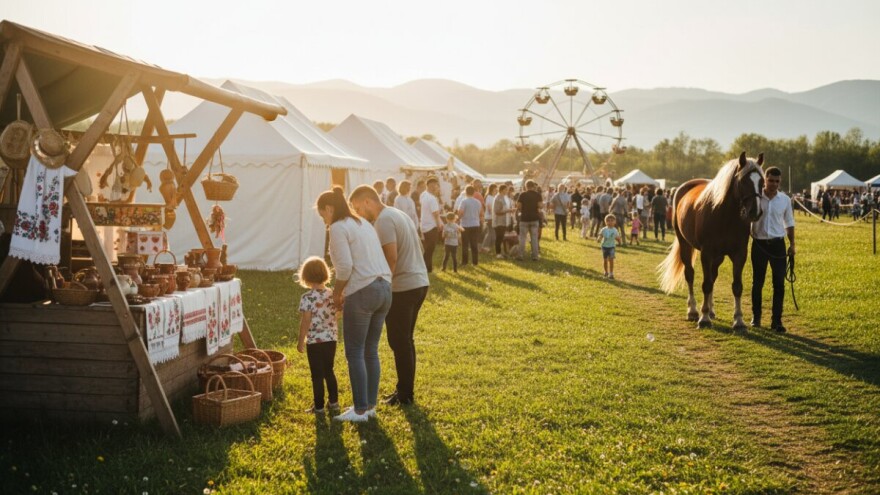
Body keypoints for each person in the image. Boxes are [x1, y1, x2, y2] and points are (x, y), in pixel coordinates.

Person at [316, 186, 392, 422]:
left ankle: (360, 409)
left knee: (355, 351)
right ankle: (369, 406)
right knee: (371, 350)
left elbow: (345, 267)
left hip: (363, 290)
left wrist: (337, 294)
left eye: (322, 215)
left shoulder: (338, 227)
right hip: (385, 288)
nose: (324, 221)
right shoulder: (363, 223)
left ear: (329, 209)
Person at [349, 185, 429, 406]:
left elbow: (391, 257)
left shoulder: (384, 220)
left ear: (367, 202)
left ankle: (405, 394)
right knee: (405, 340)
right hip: (419, 281)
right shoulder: (398, 213)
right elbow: (418, 249)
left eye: (357, 208)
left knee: (399, 341)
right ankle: (406, 390)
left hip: (403, 287)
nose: (358, 214)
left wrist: (383, 284)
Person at [750, 166, 795, 333]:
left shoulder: (784, 200)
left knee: (779, 284)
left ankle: (776, 321)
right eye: (771, 180)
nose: (774, 184)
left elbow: (789, 223)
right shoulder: (756, 197)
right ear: (765, 180)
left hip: (778, 246)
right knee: (758, 283)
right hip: (759, 244)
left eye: (777, 181)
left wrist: (792, 244)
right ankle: (756, 317)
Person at [296, 256, 340, 415]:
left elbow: (306, 321)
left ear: (305, 277)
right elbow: (338, 312)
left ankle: (319, 407)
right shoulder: (333, 294)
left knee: (317, 374)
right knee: (329, 370)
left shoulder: (307, 298)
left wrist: (301, 341)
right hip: (331, 339)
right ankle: (334, 403)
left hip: (314, 341)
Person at [419, 177, 442, 272]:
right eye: (433, 186)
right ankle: (426, 268)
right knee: (430, 249)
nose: (434, 188)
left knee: (427, 248)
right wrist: (439, 225)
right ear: (428, 186)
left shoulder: (423, 195)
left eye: (435, 186)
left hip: (424, 225)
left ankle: (427, 267)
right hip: (431, 226)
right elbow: (436, 214)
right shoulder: (432, 198)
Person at [516, 180, 542, 261]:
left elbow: (519, 206)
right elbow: (540, 206)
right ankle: (535, 256)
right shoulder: (538, 195)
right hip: (534, 218)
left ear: (526, 186)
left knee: (522, 238)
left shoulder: (522, 194)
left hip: (524, 219)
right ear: (533, 186)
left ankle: (520, 255)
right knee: (534, 238)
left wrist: (523, 209)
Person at [457, 185, 482, 266]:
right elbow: (481, 213)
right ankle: (475, 262)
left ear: (466, 192)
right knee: (474, 244)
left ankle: (465, 262)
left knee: (465, 244)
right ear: (474, 192)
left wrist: (458, 219)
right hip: (475, 224)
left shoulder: (464, 201)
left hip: (465, 224)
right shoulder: (478, 202)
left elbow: (460, 212)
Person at [597, 214, 621, 280]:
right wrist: (599, 239)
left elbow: (617, 237)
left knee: (611, 260)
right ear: (605, 222)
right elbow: (600, 235)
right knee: (605, 260)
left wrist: (619, 242)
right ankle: (605, 271)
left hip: (612, 247)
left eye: (612, 221)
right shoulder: (604, 229)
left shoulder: (615, 230)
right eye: (608, 221)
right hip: (604, 246)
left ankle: (611, 273)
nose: (610, 222)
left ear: (615, 222)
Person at [493, 184, 511, 257]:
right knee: (499, 237)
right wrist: (507, 211)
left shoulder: (504, 197)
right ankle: (498, 253)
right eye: (506, 189)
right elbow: (496, 211)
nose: (507, 191)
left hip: (503, 221)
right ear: (502, 190)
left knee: (501, 237)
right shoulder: (498, 198)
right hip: (498, 221)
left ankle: (501, 252)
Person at [481, 184, 497, 252]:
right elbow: (489, 208)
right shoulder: (489, 197)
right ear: (492, 189)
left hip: (492, 217)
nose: (496, 190)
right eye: (495, 189)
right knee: (490, 232)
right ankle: (484, 246)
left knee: (492, 232)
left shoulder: (492, 197)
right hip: (490, 217)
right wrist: (493, 215)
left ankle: (490, 246)